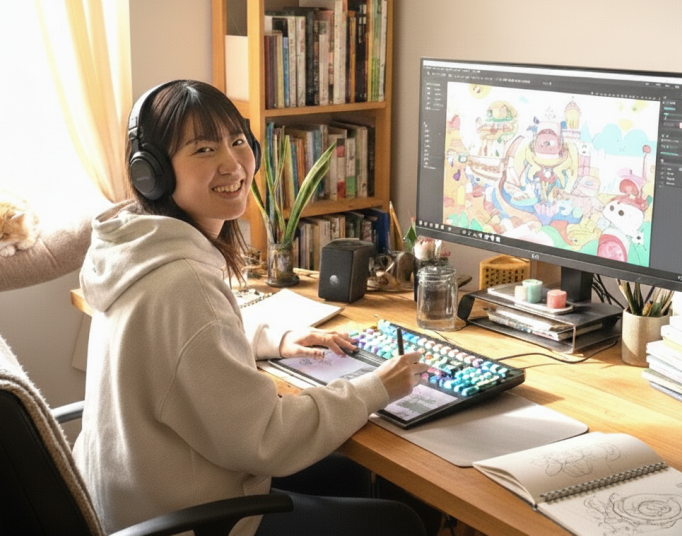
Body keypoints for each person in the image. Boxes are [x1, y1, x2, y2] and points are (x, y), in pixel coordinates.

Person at [73, 80, 429, 536]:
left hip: (136, 496)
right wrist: (374, 388)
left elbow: (180, 351)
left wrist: (273, 340)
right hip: (189, 520)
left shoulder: (134, 251)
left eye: (238, 141)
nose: (232, 163)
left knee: (346, 473)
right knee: (400, 523)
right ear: (153, 173)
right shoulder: (184, 286)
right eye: (204, 150)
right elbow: (268, 438)